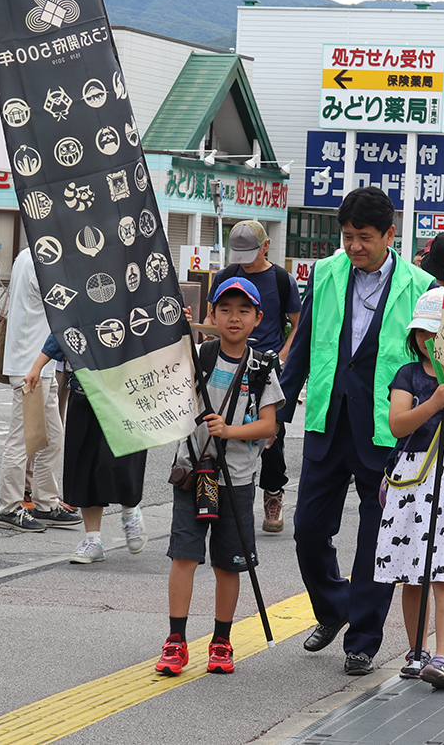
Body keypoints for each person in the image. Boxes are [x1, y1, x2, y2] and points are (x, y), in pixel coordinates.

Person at [277, 186, 435, 675]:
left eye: (365, 238)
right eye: (347, 237)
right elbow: (301, 348)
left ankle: (363, 640)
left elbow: (432, 359)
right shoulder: (325, 274)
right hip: (328, 422)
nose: (354, 247)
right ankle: (334, 607)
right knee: (307, 530)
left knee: (376, 540)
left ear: (391, 234)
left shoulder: (421, 285)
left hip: (387, 431)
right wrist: (275, 417)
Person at [156, 277, 284, 676]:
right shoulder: (196, 356)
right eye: (225, 309)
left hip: (239, 480)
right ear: (213, 314)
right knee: (184, 556)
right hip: (194, 474)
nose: (234, 318)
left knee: (229, 565)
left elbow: (269, 427)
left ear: (259, 318)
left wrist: (229, 432)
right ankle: (176, 640)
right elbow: (165, 380)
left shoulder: (263, 367)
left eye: (244, 310)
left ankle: (221, 641)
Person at [375, 288, 444, 689]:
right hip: (414, 475)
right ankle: (416, 651)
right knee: (412, 571)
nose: (431, 341)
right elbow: (397, 425)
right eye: (425, 332)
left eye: (441, 333)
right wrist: (435, 402)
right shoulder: (407, 374)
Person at [206, 220, 301, 533]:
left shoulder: (281, 279)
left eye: (250, 252)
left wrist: (282, 358)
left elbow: (297, 326)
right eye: (239, 253)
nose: (244, 260)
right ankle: (214, 491)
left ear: (265, 246)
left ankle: (273, 493)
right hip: (227, 365)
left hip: (265, 368)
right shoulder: (226, 275)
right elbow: (211, 317)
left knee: (271, 435)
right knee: (219, 427)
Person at [25, 334, 148, 562]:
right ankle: (93, 540)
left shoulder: (135, 296)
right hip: (85, 388)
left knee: (122, 461)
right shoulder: (79, 298)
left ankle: (130, 510)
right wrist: (38, 365)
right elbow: (63, 328)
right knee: (85, 466)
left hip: (128, 389)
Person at [0, 248, 81, 532]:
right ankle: (8, 508)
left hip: (40, 364)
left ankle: (45, 502)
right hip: (29, 364)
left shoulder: (28, 255)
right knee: (22, 441)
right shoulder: (43, 259)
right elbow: (65, 303)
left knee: (52, 438)